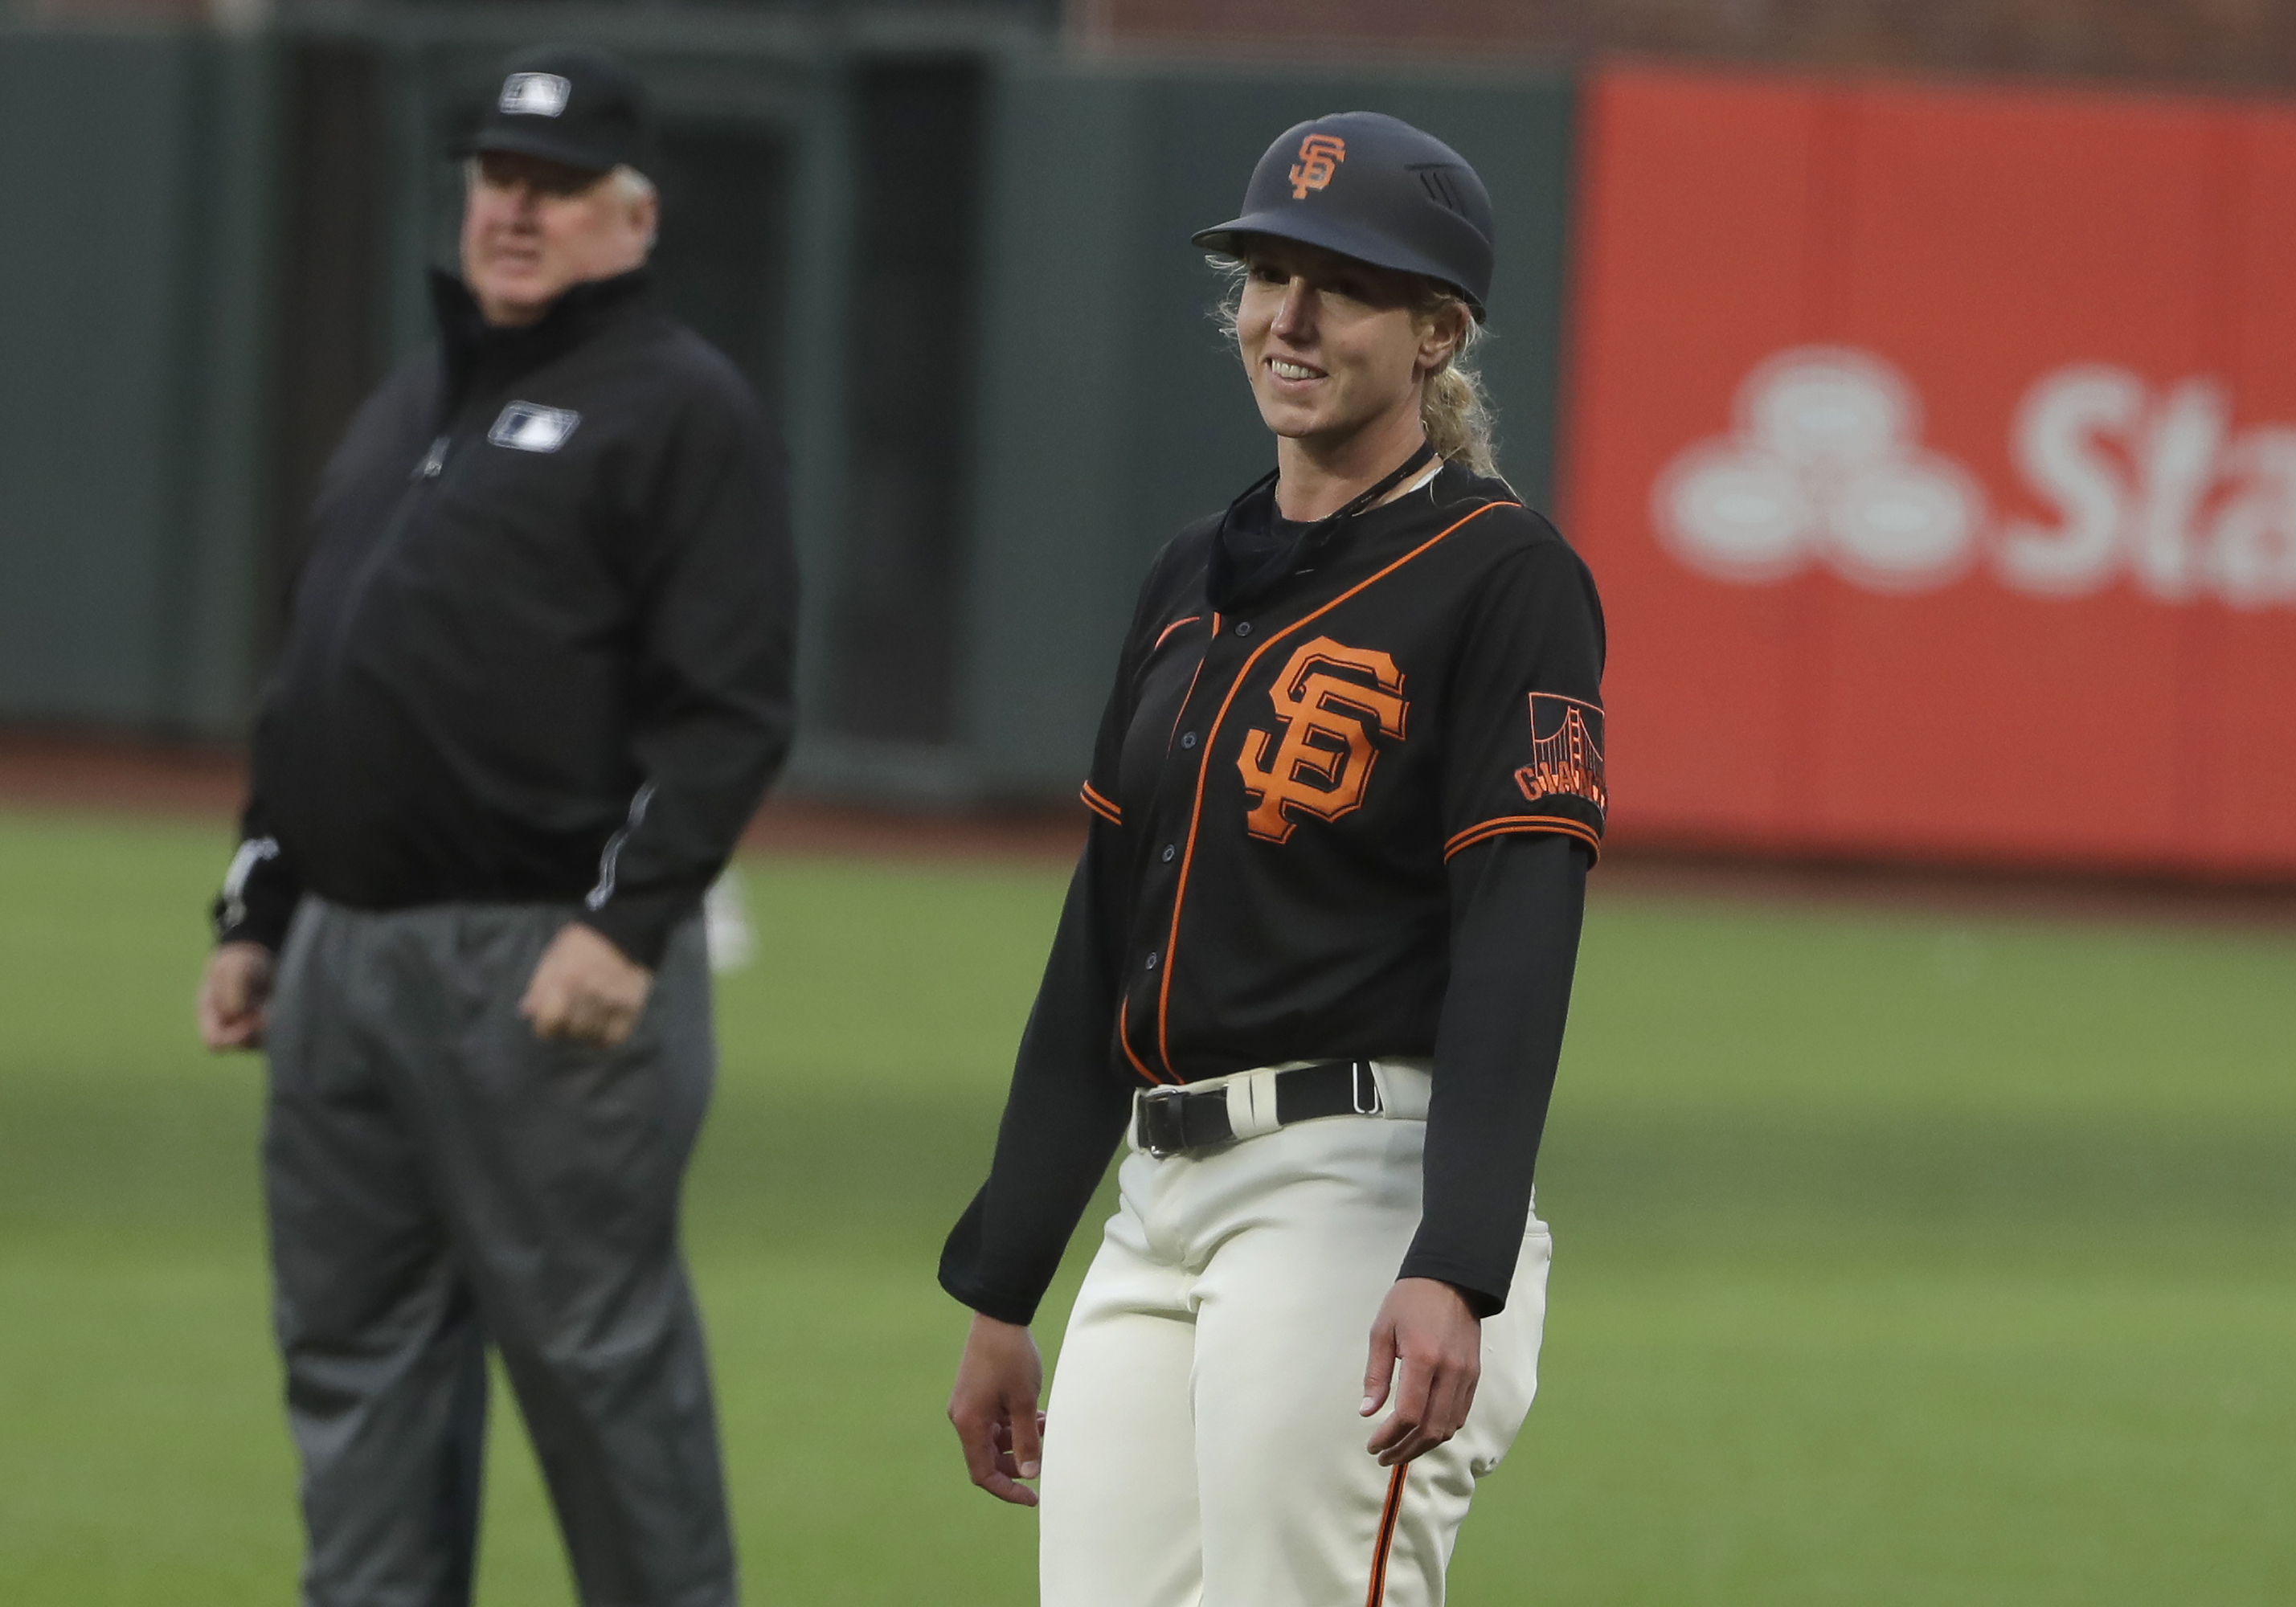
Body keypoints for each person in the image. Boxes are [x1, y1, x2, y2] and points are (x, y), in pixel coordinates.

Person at [939, 112, 1606, 1606]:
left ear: (1439, 333)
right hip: (1156, 1202)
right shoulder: (1195, 571)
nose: (1287, 318)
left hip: (1353, 1203)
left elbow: (1519, 932)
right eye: (1265, 274)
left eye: (1343, 285)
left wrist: (1459, 1261)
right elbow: (1106, 936)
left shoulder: (1508, 579)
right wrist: (1004, 1277)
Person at [192, 43, 796, 1607]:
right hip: (345, 961)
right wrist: (261, 913)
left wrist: (628, 922)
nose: (515, 211)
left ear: (633, 214)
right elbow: (317, 672)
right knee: (354, 1369)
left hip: (547, 962)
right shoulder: (415, 402)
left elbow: (730, 706)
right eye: (496, 177)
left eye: (556, 184)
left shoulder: (678, 405)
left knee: (600, 1370)